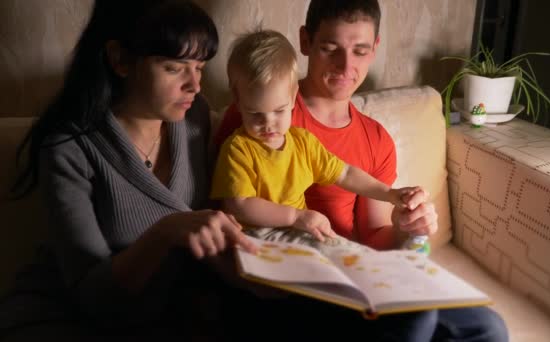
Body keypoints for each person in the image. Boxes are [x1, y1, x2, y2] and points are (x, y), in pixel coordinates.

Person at [215, 0, 509, 341]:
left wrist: (405, 225)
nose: (345, 65)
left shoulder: (375, 139)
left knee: (488, 328)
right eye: (330, 48)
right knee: (416, 320)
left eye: (360, 50)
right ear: (306, 42)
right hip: (288, 282)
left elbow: (374, 234)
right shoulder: (261, 113)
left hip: (351, 270)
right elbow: (227, 211)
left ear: (375, 50)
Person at [1, 0, 257, 340]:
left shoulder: (195, 118)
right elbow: (92, 296)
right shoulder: (69, 146)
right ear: (120, 60)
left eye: (199, 66)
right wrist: (165, 233)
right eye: (174, 67)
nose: (194, 85)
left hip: (164, 318)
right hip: (66, 317)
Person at [212, 29, 425, 244]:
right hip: (254, 236)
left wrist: (390, 194)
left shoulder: (303, 143)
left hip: (295, 235)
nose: (268, 123)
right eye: (255, 113)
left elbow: (346, 174)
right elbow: (239, 205)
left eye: (279, 111)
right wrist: (296, 216)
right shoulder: (237, 149)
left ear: (294, 97)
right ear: (238, 103)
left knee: (336, 249)